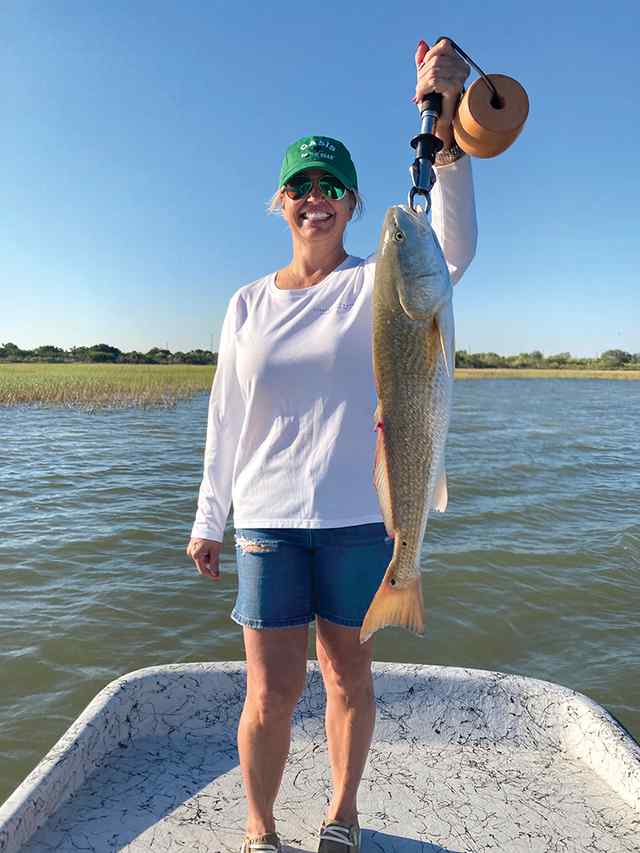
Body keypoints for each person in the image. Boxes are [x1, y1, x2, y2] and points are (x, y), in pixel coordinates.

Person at [186, 38, 477, 853]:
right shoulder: (246, 303)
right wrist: (210, 515)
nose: (316, 198)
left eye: (332, 187)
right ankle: (260, 826)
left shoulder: (377, 279)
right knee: (269, 694)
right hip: (268, 521)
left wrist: (447, 140)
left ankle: (342, 816)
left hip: (360, 515)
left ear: (351, 204)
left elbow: (447, 251)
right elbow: (224, 414)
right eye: (301, 186)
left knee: (349, 676)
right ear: (282, 202)